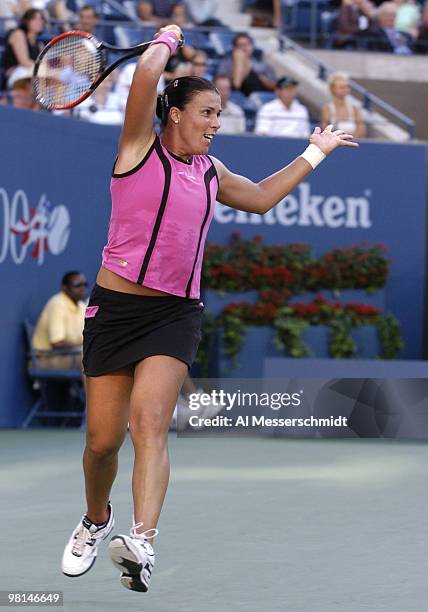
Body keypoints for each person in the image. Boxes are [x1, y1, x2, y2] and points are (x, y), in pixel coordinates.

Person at [60, 24, 357, 593]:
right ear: (175, 114)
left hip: (175, 313)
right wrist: (167, 37)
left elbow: (265, 199)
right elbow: (147, 74)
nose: (216, 124)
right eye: (208, 113)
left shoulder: (211, 173)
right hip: (115, 308)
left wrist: (314, 152)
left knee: (150, 423)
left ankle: (142, 540)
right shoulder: (136, 148)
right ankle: (97, 519)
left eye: (220, 114)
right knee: (102, 443)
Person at [32, 271, 87, 369]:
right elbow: (56, 343)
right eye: (77, 285)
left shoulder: (82, 306)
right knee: (87, 358)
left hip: (72, 355)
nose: (82, 288)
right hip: (46, 359)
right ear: (64, 288)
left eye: (84, 284)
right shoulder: (57, 304)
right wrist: (81, 348)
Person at [217, 32, 276, 96]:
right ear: (234, 48)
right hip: (234, 93)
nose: (244, 48)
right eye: (240, 45)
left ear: (252, 46)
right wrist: (239, 62)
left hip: (258, 91)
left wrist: (260, 78)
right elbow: (221, 83)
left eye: (247, 44)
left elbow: (274, 87)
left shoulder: (263, 66)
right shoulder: (226, 63)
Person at [1, 8, 45, 92]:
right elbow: (24, 61)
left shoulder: (40, 44)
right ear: (26, 21)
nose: (39, 22)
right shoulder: (18, 34)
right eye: (34, 18)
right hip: (16, 73)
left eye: (41, 19)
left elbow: (43, 64)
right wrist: (44, 70)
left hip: (33, 72)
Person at [321, 71, 367, 138]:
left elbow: (361, 130)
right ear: (332, 89)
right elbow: (325, 129)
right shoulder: (327, 108)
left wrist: (349, 138)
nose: (345, 90)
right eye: (341, 87)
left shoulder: (354, 108)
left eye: (347, 87)